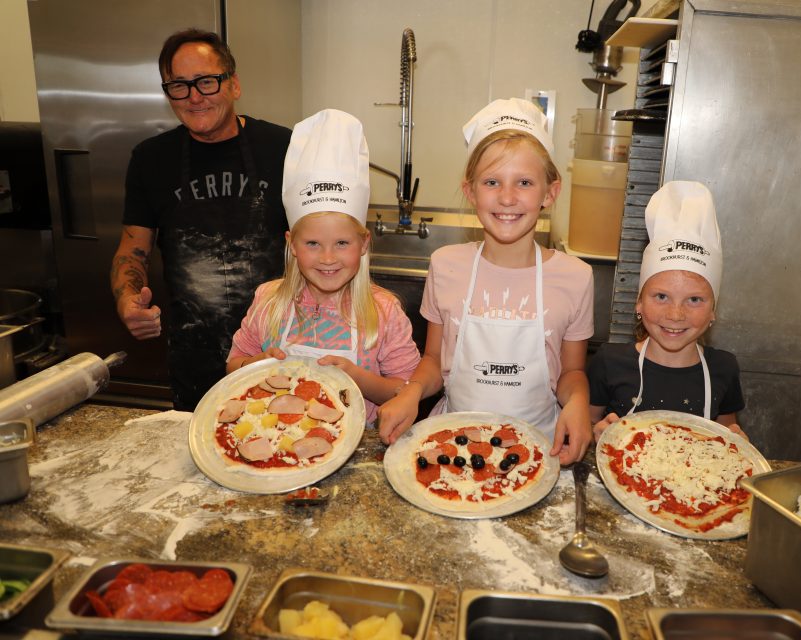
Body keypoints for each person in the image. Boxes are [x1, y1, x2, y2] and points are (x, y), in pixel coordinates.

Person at [377, 98, 595, 465]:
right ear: (471, 191)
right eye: (492, 182)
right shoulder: (446, 265)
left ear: (549, 193)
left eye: (524, 182)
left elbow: (571, 371)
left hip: (539, 449)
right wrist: (412, 392)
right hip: (454, 447)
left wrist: (578, 402)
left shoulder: (575, 276)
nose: (507, 198)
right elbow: (433, 359)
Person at [110, 28, 291, 410]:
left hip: (279, 349)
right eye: (179, 86)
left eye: (206, 82)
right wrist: (128, 299)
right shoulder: (151, 159)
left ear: (234, 84)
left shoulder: (284, 147)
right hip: (195, 353)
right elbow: (132, 249)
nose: (194, 97)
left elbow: (318, 239)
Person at [227, 109, 420, 424]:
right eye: (312, 244)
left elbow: (406, 390)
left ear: (364, 244)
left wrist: (359, 379)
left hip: (355, 443)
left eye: (342, 243)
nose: (328, 258)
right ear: (291, 244)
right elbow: (233, 364)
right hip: (275, 439)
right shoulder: (268, 300)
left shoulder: (383, 312)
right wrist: (257, 364)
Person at [588, 180, 746, 439]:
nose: (675, 315)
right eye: (661, 296)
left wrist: (737, 440)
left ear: (713, 311)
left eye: (694, 300)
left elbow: (727, 429)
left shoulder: (724, 367)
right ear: (639, 303)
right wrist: (596, 432)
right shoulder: (609, 361)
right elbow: (589, 420)